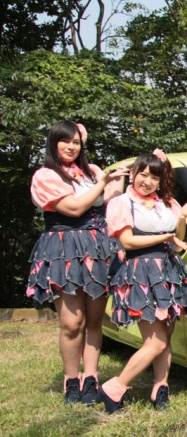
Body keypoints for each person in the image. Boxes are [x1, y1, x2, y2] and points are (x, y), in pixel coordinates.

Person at [27, 121, 129, 405]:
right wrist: (102, 183)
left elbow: (109, 203)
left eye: (76, 142)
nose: (71, 147)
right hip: (63, 249)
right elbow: (73, 208)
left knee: (94, 320)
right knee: (72, 323)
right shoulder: (45, 176)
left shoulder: (92, 171)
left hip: (97, 249)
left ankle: (91, 378)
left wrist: (125, 176)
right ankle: (72, 379)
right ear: (53, 143)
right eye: (65, 141)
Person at [97, 150, 187, 413]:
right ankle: (114, 387)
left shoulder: (166, 203)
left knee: (165, 334)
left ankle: (161, 387)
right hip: (140, 273)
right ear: (133, 174)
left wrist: (182, 217)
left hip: (168, 271)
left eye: (154, 177)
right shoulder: (122, 203)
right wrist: (164, 238)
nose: (147, 181)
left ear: (160, 181)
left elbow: (178, 238)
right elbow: (127, 241)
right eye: (143, 174)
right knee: (155, 341)